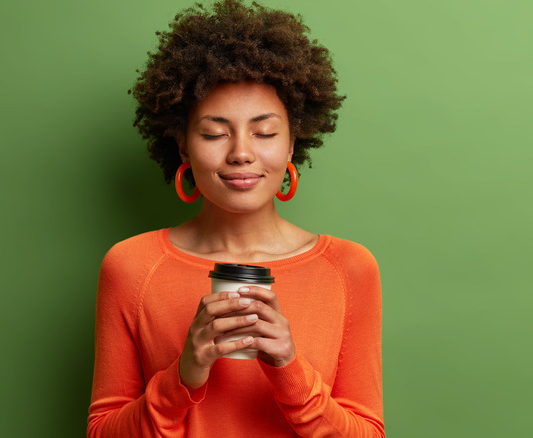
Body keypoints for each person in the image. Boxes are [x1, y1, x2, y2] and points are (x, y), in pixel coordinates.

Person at [87, 1, 383, 436]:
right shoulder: (129, 265)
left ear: (291, 144)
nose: (241, 152)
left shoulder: (350, 269)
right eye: (214, 133)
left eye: (264, 132)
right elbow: (102, 432)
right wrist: (183, 374)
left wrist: (289, 368)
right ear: (184, 146)